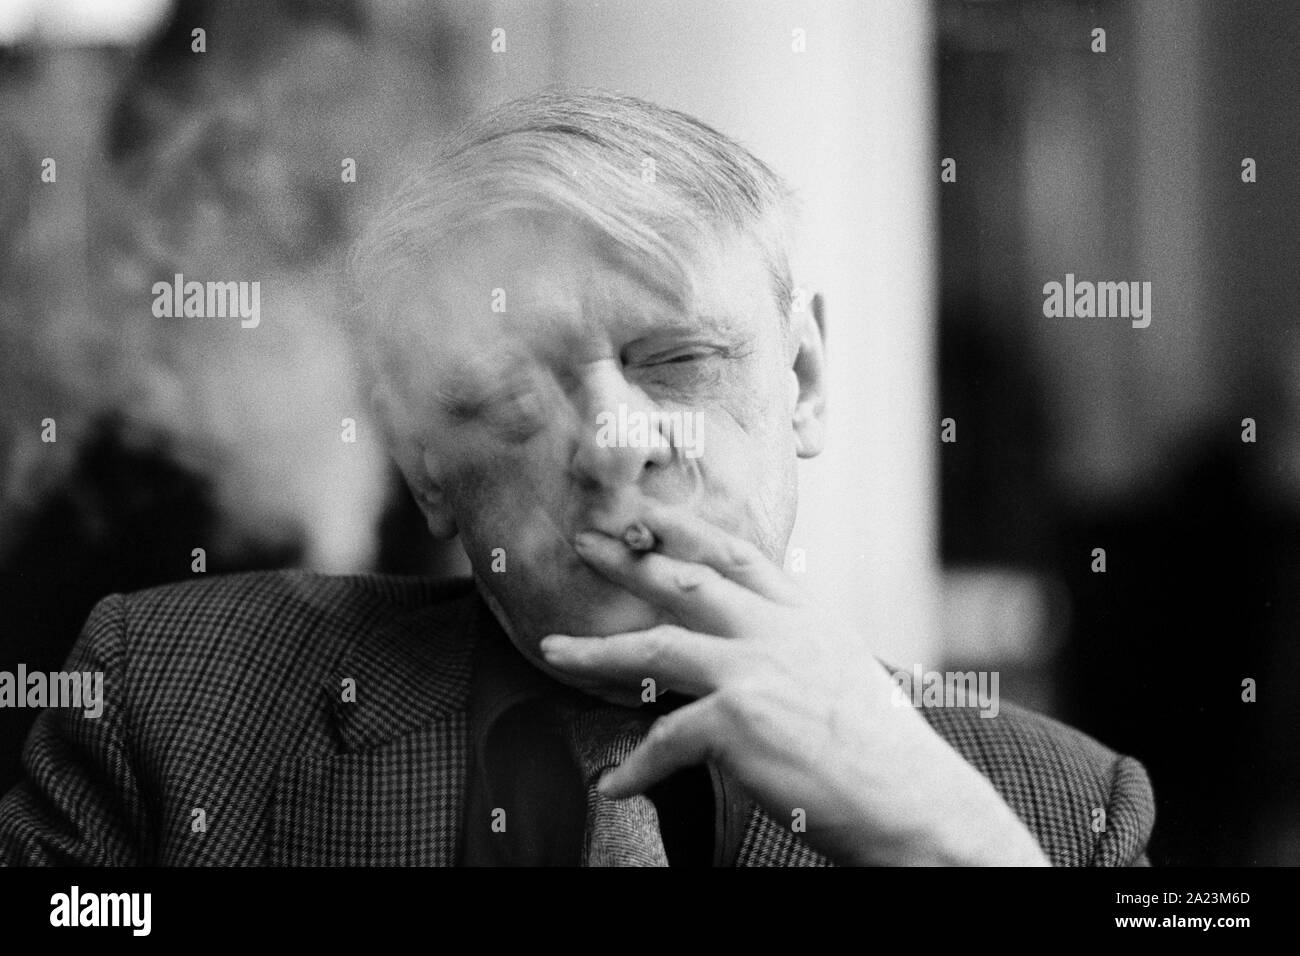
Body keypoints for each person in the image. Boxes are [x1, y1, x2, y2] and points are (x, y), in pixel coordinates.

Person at [0, 87, 1153, 866]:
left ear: (800, 378)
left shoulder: (1054, 806)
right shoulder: (169, 703)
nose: (613, 439)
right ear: (425, 465)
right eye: (509, 399)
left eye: (681, 360)